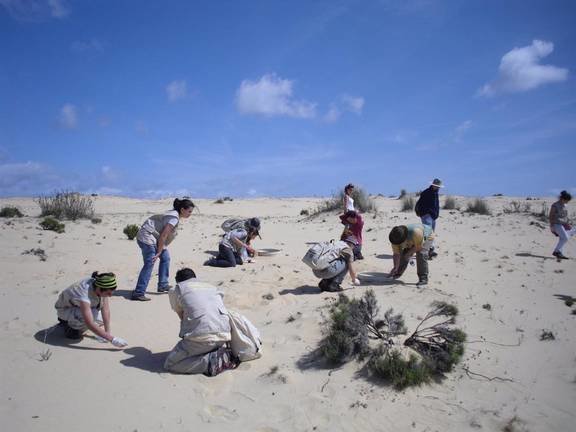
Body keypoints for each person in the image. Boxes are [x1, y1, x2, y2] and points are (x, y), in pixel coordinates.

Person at [164, 268, 238, 376]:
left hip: (201, 338)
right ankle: (217, 352)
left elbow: (181, 315)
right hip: (225, 335)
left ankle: (210, 362)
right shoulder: (212, 287)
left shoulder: (177, 289)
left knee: (170, 364)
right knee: (205, 343)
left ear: (178, 281)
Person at [131, 198, 195, 301]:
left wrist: (161, 251)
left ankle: (163, 285)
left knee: (165, 258)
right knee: (150, 263)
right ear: (182, 209)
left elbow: (162, 236)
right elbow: (163, 235)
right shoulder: (174, 218)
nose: (190, 214)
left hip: (154, 237)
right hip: (147, 237)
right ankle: (139, 292)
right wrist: (159, 251)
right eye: (189, 211)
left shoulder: (174, 214)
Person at [55, 272, 128, 347]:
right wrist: (113, 339)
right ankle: (70, 328)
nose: (110, 296)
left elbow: (105, 310)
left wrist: (107, 333)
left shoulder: (101, 285)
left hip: (80, 306)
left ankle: (75, 322)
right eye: (108, 293)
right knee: (91, 317)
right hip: (65, 310)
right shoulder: (84, 295)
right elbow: (89, 324)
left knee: (100, 319)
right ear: (99, 289)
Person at [415, 178, 442, 258]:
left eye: (439, 186)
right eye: (437, 186)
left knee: (431, 234)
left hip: (433, 216)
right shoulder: (426, 192)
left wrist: (435, 214)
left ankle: (428, 250)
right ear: (433, 185)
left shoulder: (435, 193)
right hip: (427, 216)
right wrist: (427, 212)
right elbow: (421, 204)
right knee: (428, 234)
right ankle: (427, 251)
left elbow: (435, 205)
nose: (438, 188)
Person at [550, 190, 576, 259]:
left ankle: (559, 253)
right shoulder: (555, 205)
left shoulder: (565, 205)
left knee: (563, 238)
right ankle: (556, 251)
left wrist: (567, 224)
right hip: (556, 224)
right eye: (566, 200)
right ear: (562, 199)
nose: (567, 202)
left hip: (563, 224)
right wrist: (551, 226)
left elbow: (565, 216)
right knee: (565, 238)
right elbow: (551, 216)